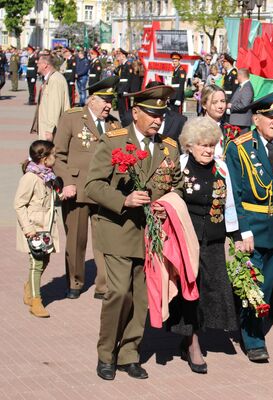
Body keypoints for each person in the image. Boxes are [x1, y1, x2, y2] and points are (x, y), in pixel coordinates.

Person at [85, 85, 183, 380]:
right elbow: (93, 185)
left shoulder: (169, 147)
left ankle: (129, 354)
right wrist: (123, 200)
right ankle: (106, 354)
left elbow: (176, 183)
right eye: (152, 113)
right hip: (118, 228)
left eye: (162, 114)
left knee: (141, 297)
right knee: (118, 292)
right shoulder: (114, 141)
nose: (157, 120)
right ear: (136, 112)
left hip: (151, 235)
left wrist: (170, 201)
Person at [225, 91, 273, 362]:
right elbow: (233, 193)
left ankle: (245, 319)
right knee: (253, 284)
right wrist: (241, 230)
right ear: (256, 118)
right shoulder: (239, 147)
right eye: (270, 116)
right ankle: (254, 339)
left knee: (266, 286)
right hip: (252, 228)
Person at [167, 117, 241, 373]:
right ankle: (193, 344)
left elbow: (230, 202)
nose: (208, 150)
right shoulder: (179, 166)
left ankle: (190, 336)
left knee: (211, 290)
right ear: (189, 145)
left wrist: (238, 236)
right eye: (202, 145)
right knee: (190, 291)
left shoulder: (220, 168)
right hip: (187, 239)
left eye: (211, 145)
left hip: (214, 239)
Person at [54, 76, 121, 300]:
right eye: (104, 100)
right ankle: (74, 281)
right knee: (76, 239)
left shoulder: (114, 124)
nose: (109, 105)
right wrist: (67, 181)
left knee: (105, 240)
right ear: (92, 99)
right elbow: (57, 155)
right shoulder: (72, 118)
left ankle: (103, 285)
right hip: (78, 189)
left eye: (111, 100)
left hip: (104, 192)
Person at [14, 140, 61, 318]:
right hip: (34, 228)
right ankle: (36, 301)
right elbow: (19, 204)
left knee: (45, 260)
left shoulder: (47, 175)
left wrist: (60, 195)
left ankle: (29, 286)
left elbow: (49, 199)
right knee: (36, 263)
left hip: (46, 227)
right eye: (53, 154)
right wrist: (28, 229)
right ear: (44, 158)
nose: (55, 157)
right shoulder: (30, 178)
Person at [30, 54, 70, 140]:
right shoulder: (50, 78)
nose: (37, 64)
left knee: (49, 152)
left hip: (50, 130)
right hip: (46, 126)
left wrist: (50, 130)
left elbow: (55, 106)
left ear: (45, 65)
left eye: (39, 63)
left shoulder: (55, 80)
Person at [200, 84, 228, 157]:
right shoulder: (196, 128)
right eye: (214, 102)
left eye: (223, 101)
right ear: (204, 105)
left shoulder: (229, 129)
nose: (220, 106)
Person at [227, 68, 254, 133]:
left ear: (240, 76)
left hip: (242, 123)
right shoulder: (241, 86)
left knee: (242, 142)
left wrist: (231, 106)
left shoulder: (247, 88)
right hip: (238, 122)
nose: (237, 77)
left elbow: (244, 105)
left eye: (237, 75)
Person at [114, 48, 132, 122]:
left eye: (119, 55)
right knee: (120, 109)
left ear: (123, 56)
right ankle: (123, 123)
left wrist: (126, 90)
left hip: (124, 90)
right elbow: (116, 72)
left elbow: (129, 79)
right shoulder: (121, 65)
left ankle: (127, 124)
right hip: (120, 90)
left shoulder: (128, 65)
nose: (117, 57)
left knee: (125, 109)